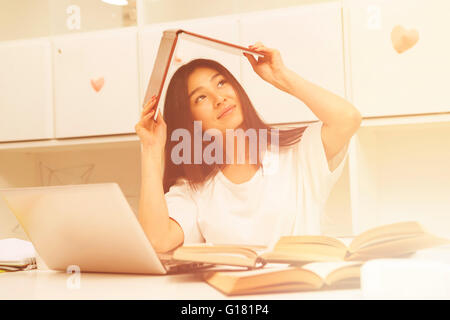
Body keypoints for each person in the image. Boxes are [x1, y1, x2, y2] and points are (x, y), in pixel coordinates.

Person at [135, 42, 362, 253]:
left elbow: (347, 118)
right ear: (189, 118)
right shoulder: (194, 189)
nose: (219, 98)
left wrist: (281, 77)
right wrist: (152, 149)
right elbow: (157, 240)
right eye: (201, 97)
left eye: (221, 83)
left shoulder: (297, 153)